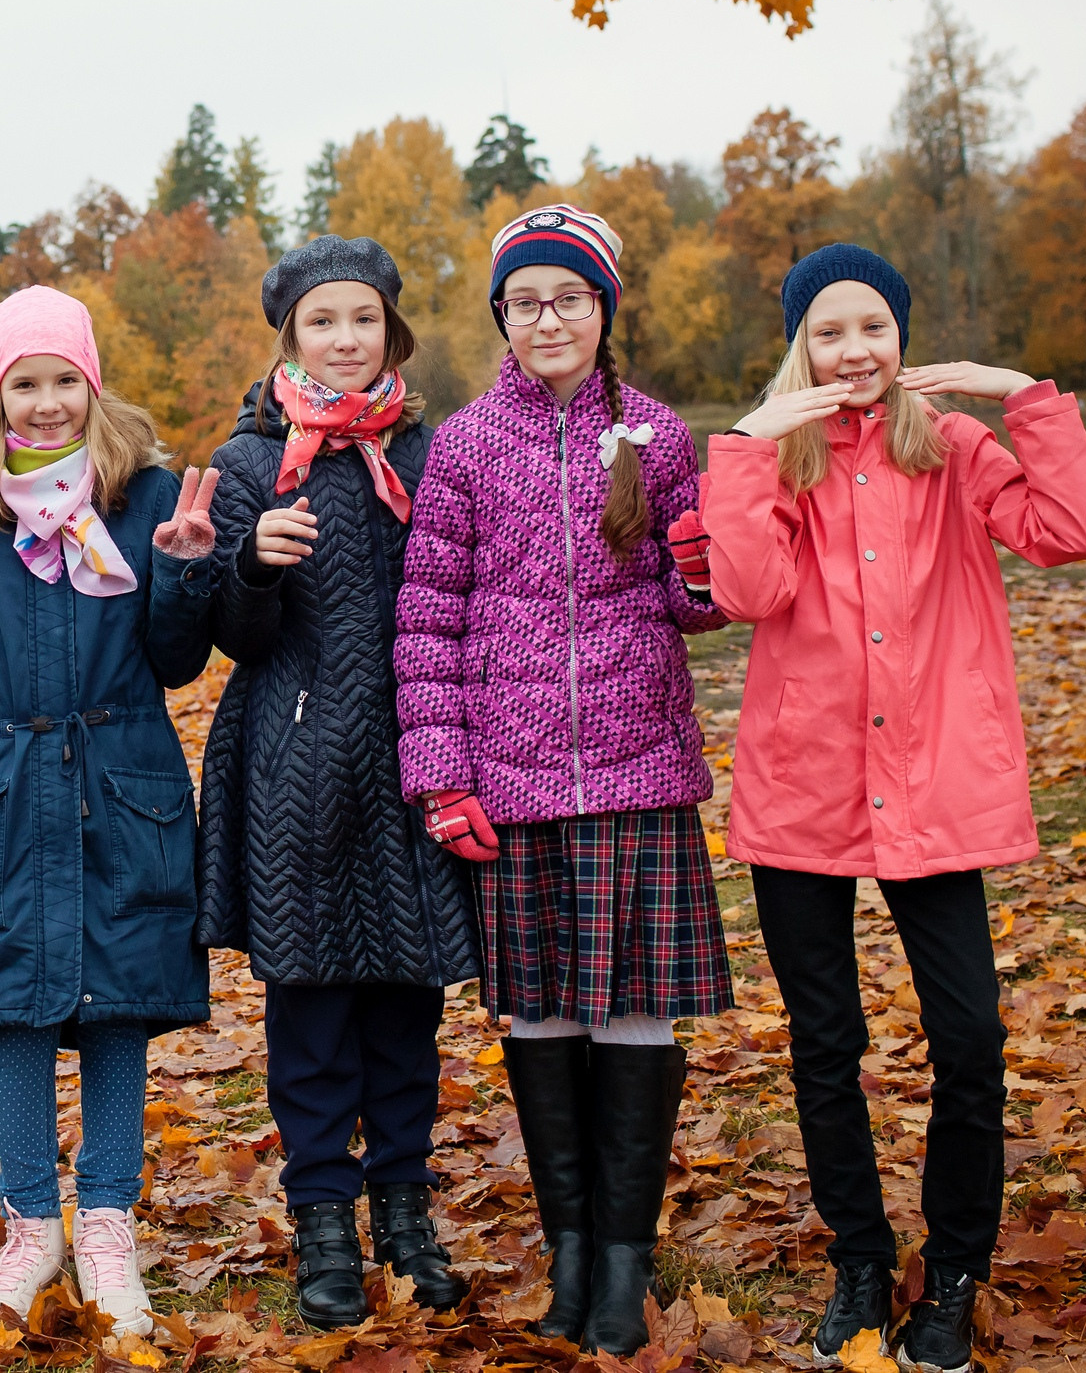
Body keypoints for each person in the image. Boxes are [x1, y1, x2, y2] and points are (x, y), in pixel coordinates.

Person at [700, 245, 1086, 1372]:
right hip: (805, 788)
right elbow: (743, 594)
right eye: (829, 332)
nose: (854, 351)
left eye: (872, 327)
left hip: (935, 783)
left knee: (968, 1039)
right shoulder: (774, 459)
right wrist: (740, 444)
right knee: (826, 1044)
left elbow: (1069, 533)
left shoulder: (956, 448)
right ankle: (860, 1262)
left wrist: (1016, 395)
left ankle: (956, 1264)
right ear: (802, 348)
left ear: (899, 336)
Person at [394, 205, 732, 1356]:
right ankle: (571, 1248)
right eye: (526, 302)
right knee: (538, 1014)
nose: (549, 320)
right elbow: (428, 619)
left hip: (638, 770)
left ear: (603, 311)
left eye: (569, 300)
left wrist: (703, 563)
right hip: (511, 778)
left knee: (633, 1012)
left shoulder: (658, 435)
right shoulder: (465, 446)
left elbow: (696, 607)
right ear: (501, 317)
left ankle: (624, 1268)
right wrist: (442, 775)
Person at [0, 285, 220, 1340]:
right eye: (22, 384)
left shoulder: (143, 493)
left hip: (122, 787)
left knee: (118, 1008)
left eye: (62, 381)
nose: (45, 404)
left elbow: (175, 662)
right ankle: (32, 1225)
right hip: (3, 798)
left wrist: (179, 567)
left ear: (92, 383)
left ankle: (109, 1224)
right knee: (18, 1015)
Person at [194, 237, 480, 1327]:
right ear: (291, 338)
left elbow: (462, 597)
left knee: (407, 1008)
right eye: (323, 322)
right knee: (310, 1015)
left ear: (391, 330)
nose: (345, 339)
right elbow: (232, 638)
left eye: (362, 319)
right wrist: (251, 564)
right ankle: (323, 1219)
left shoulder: (431, 448)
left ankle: (405, 1211)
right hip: (293, 765)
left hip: (415, 761)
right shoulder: (247, 460)